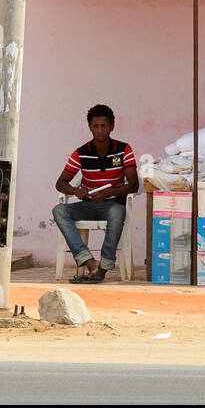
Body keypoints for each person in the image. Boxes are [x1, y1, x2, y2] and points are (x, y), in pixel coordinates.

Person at [52, 104, 138, 283]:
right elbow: (60, 183)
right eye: (96, 126)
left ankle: (104, 268)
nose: (100, 130)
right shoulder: (81, 153)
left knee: (116, 212)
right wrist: (76, 191)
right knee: (59, 210)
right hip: (88, 205)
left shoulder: (123, 150)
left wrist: (107, 193)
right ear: (89, 127)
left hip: (113, 204)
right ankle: (88, 261)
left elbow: (133, 185)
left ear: (112, 126)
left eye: (104, 126)